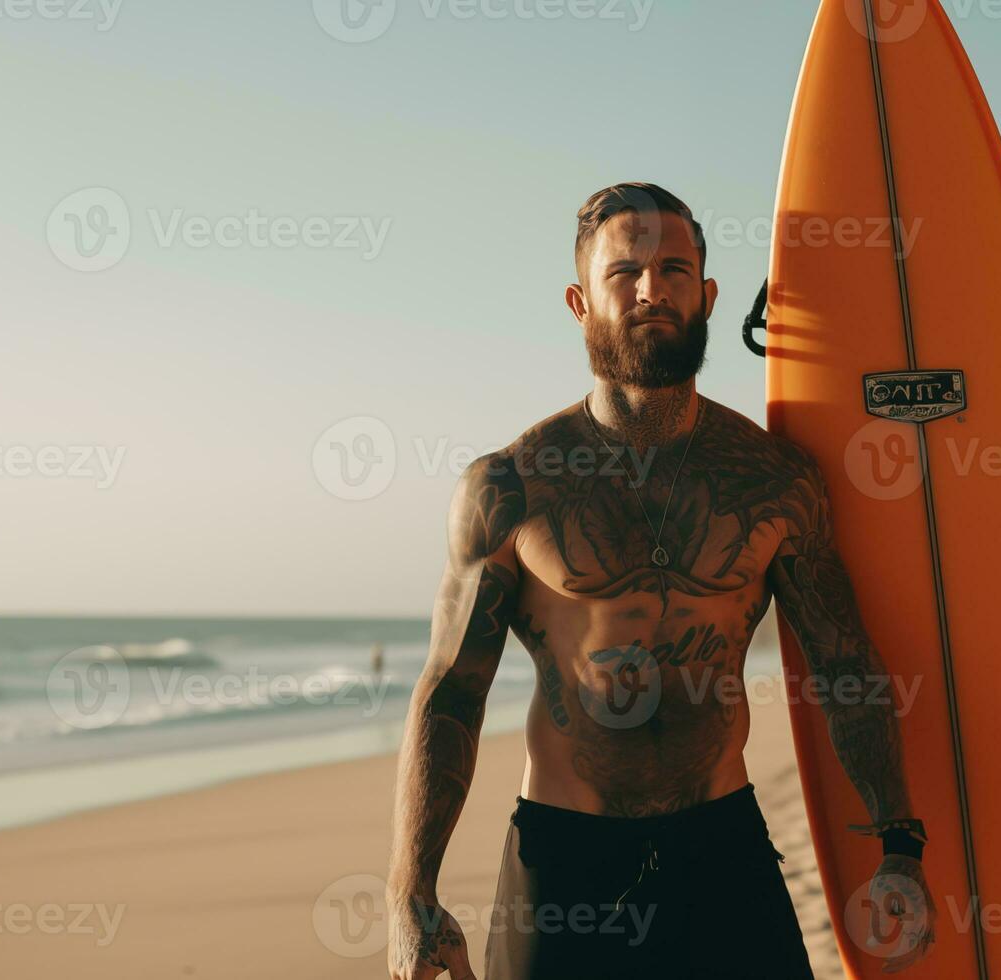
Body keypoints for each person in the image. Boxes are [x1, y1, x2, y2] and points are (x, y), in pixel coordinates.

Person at [386, 183, 933, 979]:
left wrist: (899, 842)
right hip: (564, 863)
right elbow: (451, 688)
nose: (652, 289)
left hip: (723, 850)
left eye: (675, 268)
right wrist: (410, 891)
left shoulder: (775, 480)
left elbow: (842, 662)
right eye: (625, 271)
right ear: (580, 302)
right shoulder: (513, 485)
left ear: (707, 295)